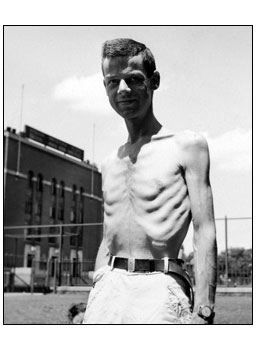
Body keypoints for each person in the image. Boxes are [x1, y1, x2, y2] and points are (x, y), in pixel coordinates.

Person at [83, 38, 217, 324]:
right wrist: (96, 290)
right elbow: (109, 237)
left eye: (133, 79)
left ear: (154, 81)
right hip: (109, 288)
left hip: (160, 288)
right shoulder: (109, 161)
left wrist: (204, 309)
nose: (122, 89)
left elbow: (204, 229)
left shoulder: (187, 146)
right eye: (112, 81)